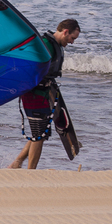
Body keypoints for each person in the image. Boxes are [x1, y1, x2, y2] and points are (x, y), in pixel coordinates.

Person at [10, 18, 81, 170]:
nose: (72, 42)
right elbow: (28, 66)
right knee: (39, 133)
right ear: (65, 31)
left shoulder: (54, 45)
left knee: (42, 130)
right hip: (33, 93)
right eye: (72, 38)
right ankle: (30, 172)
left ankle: (17, 163)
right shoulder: (46, 45)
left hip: (44, 92)